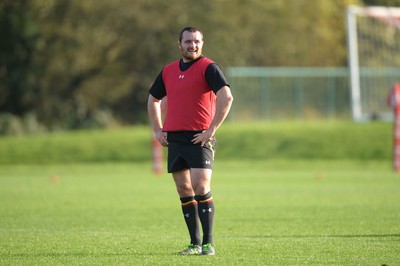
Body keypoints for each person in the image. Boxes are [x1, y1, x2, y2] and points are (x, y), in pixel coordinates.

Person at [147, 26, 233, 256]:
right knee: (184, 189)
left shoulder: (209, 68)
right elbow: (153, 99)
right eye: (188, 42)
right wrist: (157, 129)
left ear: (202, 43)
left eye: (196, 41)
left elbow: (227, 96)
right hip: (174, 137)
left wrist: (211, 129)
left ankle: (208, 243)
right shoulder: (168, 71)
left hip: (199, 136)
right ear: (179, 44)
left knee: (201, 186)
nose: (192, 45)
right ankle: (194, 244)